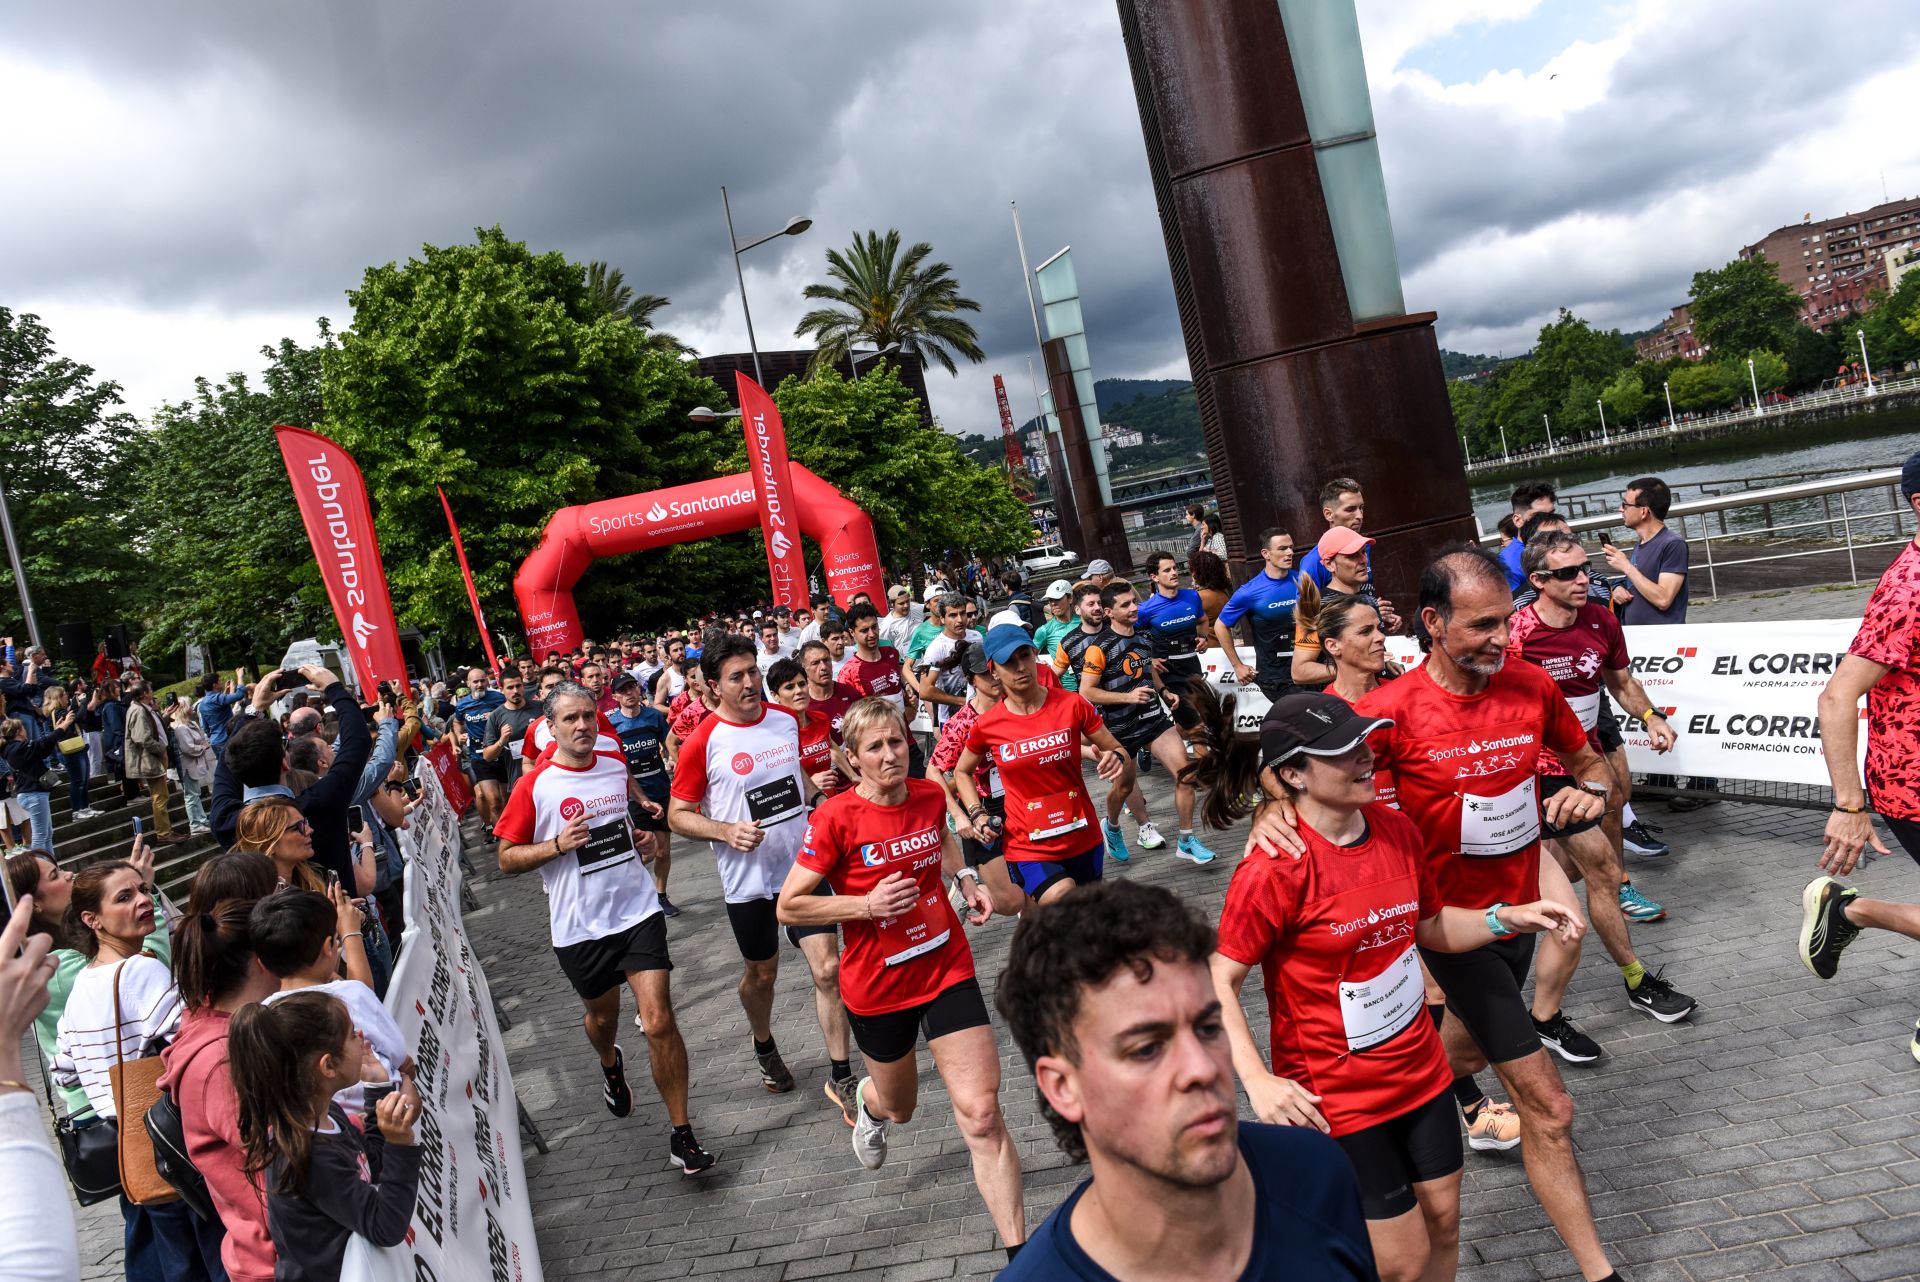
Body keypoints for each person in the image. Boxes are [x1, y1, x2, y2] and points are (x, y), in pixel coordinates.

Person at [1251, 548, 1626, 1282]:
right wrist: (1273, 807)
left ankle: (1405, 1102)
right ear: (1432, 622)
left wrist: (1594, 795)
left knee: (1459, 1054)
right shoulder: (1392, 709)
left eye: (1507, 620)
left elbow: (1591, 767)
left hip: (1513, 918)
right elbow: (1295, 761)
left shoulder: (1528, 685)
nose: (1502, 638)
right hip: (1448, 927)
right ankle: (1600, 1273)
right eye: (1483, 625)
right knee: (1548, 1107)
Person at [1213, 693, 1584, 1282]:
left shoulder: (1395, 828)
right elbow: (1219, 978)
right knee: (1400, 1262)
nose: (1365, 759)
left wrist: (1505, 917)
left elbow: (1432, 926)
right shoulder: (1272, 869)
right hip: (1337, 1091)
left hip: (1420, 1070)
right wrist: (1257, 1080)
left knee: (1444, 1223)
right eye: (1343, 754)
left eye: (1365, 746)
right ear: (1293, 774)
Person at [997, 877, 1375, 1281]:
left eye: (1209, 1027)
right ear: (1062, 1087)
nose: (1203, 1068)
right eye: (1146, 1049)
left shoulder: (1316, 1173)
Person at [777, 699, 1026, 1255]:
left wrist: (964, 879)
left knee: (982, 1114)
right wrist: (865, 906)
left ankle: (1019, 1257)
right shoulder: (835, 817)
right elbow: (790, 907)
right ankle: (869, 1103)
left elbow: (938, 840)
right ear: (853, 758)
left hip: (945, 964)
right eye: (875, 747)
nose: (890, 755)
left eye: (896, 742)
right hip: (878, 984)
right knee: (902, 1108)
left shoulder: (929, 794)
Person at [495, 681, 715, 1173]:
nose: (582, 726)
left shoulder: (616, 768)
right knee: (602, 1018)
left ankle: (682, 1135)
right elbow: (506, 859)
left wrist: (641, 842)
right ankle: (610, 1065)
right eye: (570, 719)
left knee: (658, 1020)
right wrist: (555, 846)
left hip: (637, 912)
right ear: (549, 728)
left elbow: (622, 831)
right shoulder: (535, 786)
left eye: (588, 717)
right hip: (580, 928)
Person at [1510, 530, 1696, 1061]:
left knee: (1592, 870)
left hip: (1585, 758)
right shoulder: (1518, 633)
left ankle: (1601, 977)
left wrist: (1651, 715)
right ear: (1538, 581)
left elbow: (1620, 682)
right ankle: (1631, 984)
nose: (1583, 580)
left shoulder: (1601, 617)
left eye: (1585, 568)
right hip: (1537, 770)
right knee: (1599, 866)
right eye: (1567, 574)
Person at [669, 637, 849, 1102]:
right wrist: (725, 830)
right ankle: (763, 1041)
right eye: (737, 676)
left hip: (804, 868)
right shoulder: (702, 742)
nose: (750, 682)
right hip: (749, 883)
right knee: (761, 975)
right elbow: (678, 814)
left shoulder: (785, 721)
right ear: (713, 686)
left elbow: (794, 775)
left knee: (828, 969)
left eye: (752, 671)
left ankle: (842, 1075)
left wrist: (815, 794)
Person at [53, 859, 226, 1280]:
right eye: (125, 897)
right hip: (173, 1144)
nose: (144, 901)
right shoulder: (139, 971)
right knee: (210, 1260)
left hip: (128, 1152)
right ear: (92, 920)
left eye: (143, 890)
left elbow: (64, 1072)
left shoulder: (83, 985)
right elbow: (192, 1041)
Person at [227, 991, 422, 1280]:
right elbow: (385, 1225)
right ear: (328, 1066)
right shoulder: (310, 1155)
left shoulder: (327, 1116)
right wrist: (401, 1143)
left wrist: (378, 1092)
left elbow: (373, 1164)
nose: (361, 1036)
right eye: (350, 1035)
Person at [161, 852, 284, 1282]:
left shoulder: (230, 1030)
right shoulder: (220, 1059)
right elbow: (282, 1160)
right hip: (281, 1259)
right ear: (260, 961)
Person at [950, 625, 1128, 904]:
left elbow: (1117, 748)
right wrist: (976, 813)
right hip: (1027, 843)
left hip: (1081, 834)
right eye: (1009, 661)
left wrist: (1115, 759)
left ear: (1036, 657)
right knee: (1060, 898)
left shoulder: (1071, 704)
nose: (1020, 667)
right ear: (993, 670)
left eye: (1025, 656)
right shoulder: (988, 725)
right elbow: (962, 771)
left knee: (1088, 916)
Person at [1081, 582, 1216, 865]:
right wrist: (1127, 697)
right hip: (1120, 729)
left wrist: (1164, 691)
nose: (1134, 608)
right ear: (1108, 612)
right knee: (1124, 788)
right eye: (1125, 605)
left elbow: (1146, 669)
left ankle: (1187, 839)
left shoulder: (1143, 637)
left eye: (1134, 602)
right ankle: (1113, 826)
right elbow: (1087, 692)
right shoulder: (1098, 648)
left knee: (1186, 774)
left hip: (1154, 719)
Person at [212, 665, 372, 887]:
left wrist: (253, 710)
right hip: (340, 916)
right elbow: (358, 742)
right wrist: (334, 688)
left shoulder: (226, 821)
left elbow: (225, 762)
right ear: (285, 762)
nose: (306, 830)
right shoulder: (318, 802)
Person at [927, 642, 1027, 917]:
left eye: (996, 669)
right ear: (970, 679)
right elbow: (933, 771)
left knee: (1035, 888)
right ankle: (973, 886)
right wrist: (958, 815)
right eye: (985, 674)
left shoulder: (1019, 706)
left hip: (1023, 803)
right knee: (1009, 903)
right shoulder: (963, 723)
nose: (994, 677)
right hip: (983, 811)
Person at [1291, 528, 1404, 688]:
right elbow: (1300, 671)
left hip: (1378, 695)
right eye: (1352, 555)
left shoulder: (1367, 594)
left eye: (1363, 552)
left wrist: (1383, 664)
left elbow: (1364, 649)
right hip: (1346, 704)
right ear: (1329, 564)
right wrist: (1361, 666)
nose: (1363, 560)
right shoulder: (1315, 605)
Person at [607, 672, 678, 917]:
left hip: (660, 790)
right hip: (632, 797)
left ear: (639, 691)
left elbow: (670, 743)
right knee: (646, 849)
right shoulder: (612, 725)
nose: (628, 693)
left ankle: (661, 896)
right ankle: (634, 893)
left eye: (631, 688)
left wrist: (673, 761)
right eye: (623, 690)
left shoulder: (654, 717)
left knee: (663, 851)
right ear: (615, 696)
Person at [1213, 527, 1302, 703]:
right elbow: (1220, 625)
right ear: (1266, 554)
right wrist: (1237, 666)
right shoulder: (1249, 592)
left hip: (1308, 666)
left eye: (1291, 547)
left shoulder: (1303, 580)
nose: (1290, 552)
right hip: (1276, 676)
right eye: (1282, 549)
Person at [2, 715, 72, 854]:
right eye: (23, 728)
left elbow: (44, 748)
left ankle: (52, 866)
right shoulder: (17, 749)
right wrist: (63, 726)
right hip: (33, 794)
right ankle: (41, 870)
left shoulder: (16, 748)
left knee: (47, 835)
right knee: (40, 837)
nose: (26, 730)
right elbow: (43, 743)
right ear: (18, 732)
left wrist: (57, 729)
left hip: (32, 794)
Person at [1296, 477, 1368, 589]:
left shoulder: (1364, 546)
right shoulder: (1313, 561)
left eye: (1361, 508)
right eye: (1350, 509)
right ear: (1328, 514)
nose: (1360, 516)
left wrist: (1371, 604)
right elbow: (1305, 606)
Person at [167, 695, 217, 837]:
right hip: (187, 766)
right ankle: (195, 824)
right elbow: (188, 748)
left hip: (194, 764)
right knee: (191, 795)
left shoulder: (189, 724)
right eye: (189, 706)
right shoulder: (180, 728)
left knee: (195, 793)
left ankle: (201, 820)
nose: (191, 708)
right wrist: (202, 747)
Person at [1500, 483, 1558, 592]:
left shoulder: (1554, 545)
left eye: (1551, 515)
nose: (1548, 521)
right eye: (1537, 516)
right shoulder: (1507, 564)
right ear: (1518, 520)